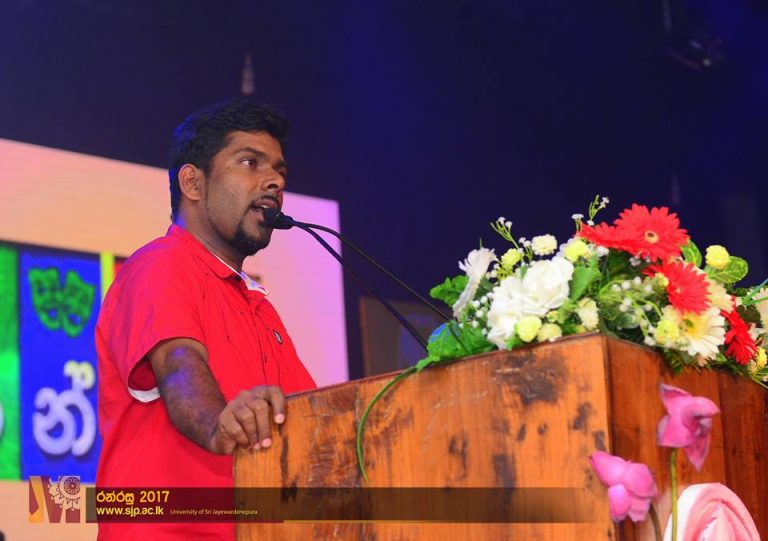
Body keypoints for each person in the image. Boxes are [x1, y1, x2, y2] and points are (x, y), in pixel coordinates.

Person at [95, 97, 317, 540]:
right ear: (193, 183)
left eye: (279, 171)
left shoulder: (259, 307)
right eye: (250, 162)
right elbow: (179, 367)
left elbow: (314, 416)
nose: (274, 181)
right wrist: (218, 426)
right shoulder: (161, 264)